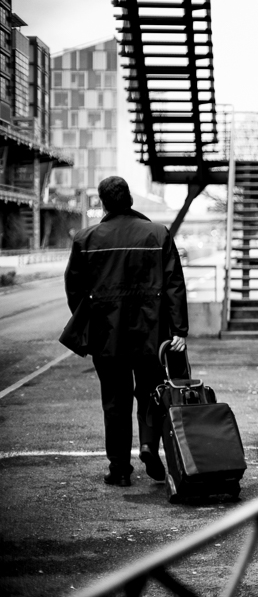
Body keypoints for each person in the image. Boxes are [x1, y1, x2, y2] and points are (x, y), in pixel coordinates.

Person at [60, 176, 188, 487]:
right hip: (151, 334)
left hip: (107, 335)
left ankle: (119, 469)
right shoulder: (157, 234)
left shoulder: (85, 239)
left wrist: (91, 319)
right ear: (130, 200)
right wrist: (179, 330)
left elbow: (74, 289)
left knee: (115, 401)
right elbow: (174, 284)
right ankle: (148, 446)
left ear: (102, 203)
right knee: (152, 393)